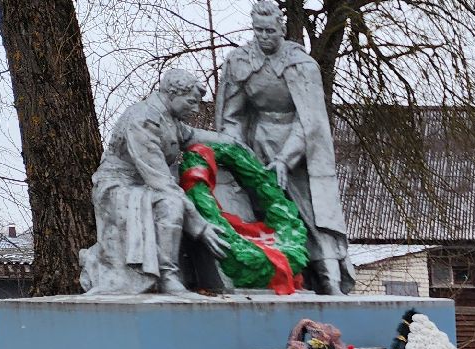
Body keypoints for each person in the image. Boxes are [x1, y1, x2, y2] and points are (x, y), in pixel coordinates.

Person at [218, 0, 354, 294]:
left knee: (310, 213)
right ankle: (274, 275)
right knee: (264, 212)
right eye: (259, 30)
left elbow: (310, 120)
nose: (264, 36)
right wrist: (238, 152)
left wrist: (284, 159)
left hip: (300, 151)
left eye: (270, 30)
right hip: (257, 145)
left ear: (281, 29)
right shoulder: (240, 62)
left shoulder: (301, 65)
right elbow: (233, 116)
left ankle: (329, 278)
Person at [80, 69, 236, 295]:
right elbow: (160, 180)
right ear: (173, 94)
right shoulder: (143, 119)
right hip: (119, 186)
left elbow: (193, 136)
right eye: (191, 102)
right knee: (169, 202)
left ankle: (182, 274)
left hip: (146, 184)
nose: (195, 109)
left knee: (174, 197)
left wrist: (232, 142)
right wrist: (200, 227)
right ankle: (167, 275)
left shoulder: (170, 120)